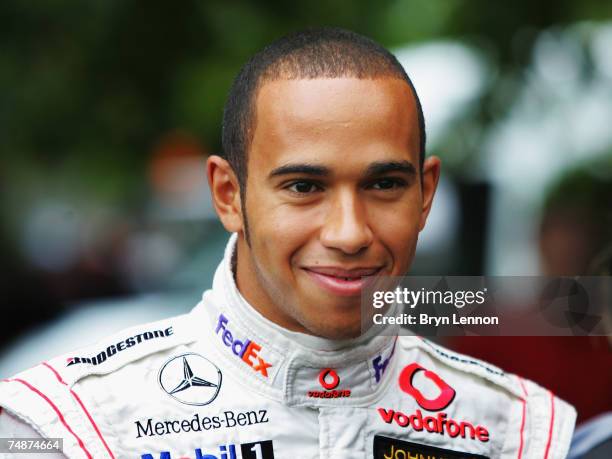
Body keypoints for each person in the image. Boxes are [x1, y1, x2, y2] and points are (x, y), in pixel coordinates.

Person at [0, 28, 576, 459]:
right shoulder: (66, 427)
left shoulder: (521, 430)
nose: (349, 233)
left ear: (425, 194)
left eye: (384, 185)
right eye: (304, 186)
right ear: (229, 195)